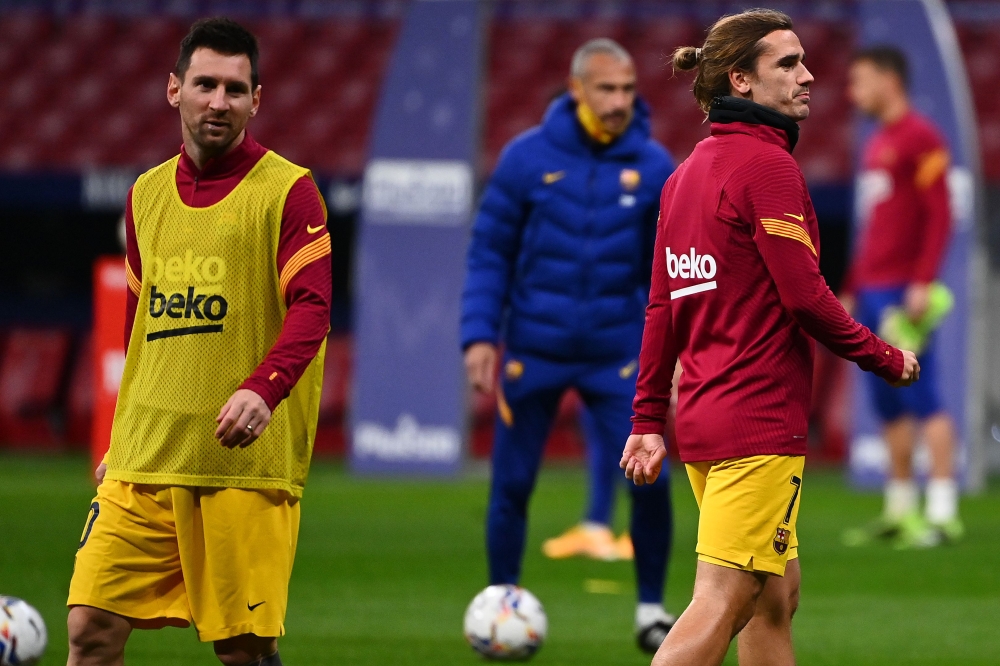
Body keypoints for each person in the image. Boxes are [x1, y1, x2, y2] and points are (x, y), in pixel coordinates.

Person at [619, 10, 920, 666]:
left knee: (774, 595)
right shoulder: (767, 169)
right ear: (741, 81)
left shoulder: (683, 177)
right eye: (787, 64)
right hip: (758, 422)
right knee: (725, 597)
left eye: (804, 61)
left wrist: (647, 419)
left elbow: (663, 307)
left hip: (703, 419)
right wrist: (886, 358)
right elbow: (805, 297)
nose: (808, 76)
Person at [66, 18, 332, 666]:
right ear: (174, 89)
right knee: (88, 628)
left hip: (242, 467)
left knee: (244, 650)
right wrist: (121, 438)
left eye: (235, 89)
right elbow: (142, 330)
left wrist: (262, 390)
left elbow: (313, 308)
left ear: (256, 100)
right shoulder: (145, 194)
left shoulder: (290, 191)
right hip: (144, 461)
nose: (219, 101)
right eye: (206, 84)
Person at [461, 38, 676, 652]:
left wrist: (676, 352)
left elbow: (667, 272)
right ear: (577, 89)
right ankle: (503, 603)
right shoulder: (526, 159)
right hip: (534, 350)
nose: (619, 102)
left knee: (651, 480)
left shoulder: (656, 165)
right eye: (607, 89)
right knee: (512, 484)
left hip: (619, 353)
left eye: (628, 90)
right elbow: (489, 253)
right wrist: (479, 335)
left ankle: (650, 612)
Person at [842, 45, 962, 548]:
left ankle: (942, 513)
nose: (853, 93)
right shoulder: (876, 142)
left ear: (889, 80)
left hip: (903, 289)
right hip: (872, 289)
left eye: (861, 80)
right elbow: (872, 227)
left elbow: (940, 213)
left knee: (924, 395)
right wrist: (851, 285)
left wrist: (923, 280)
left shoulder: (922, 137)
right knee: (886, 402)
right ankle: (900, 511)